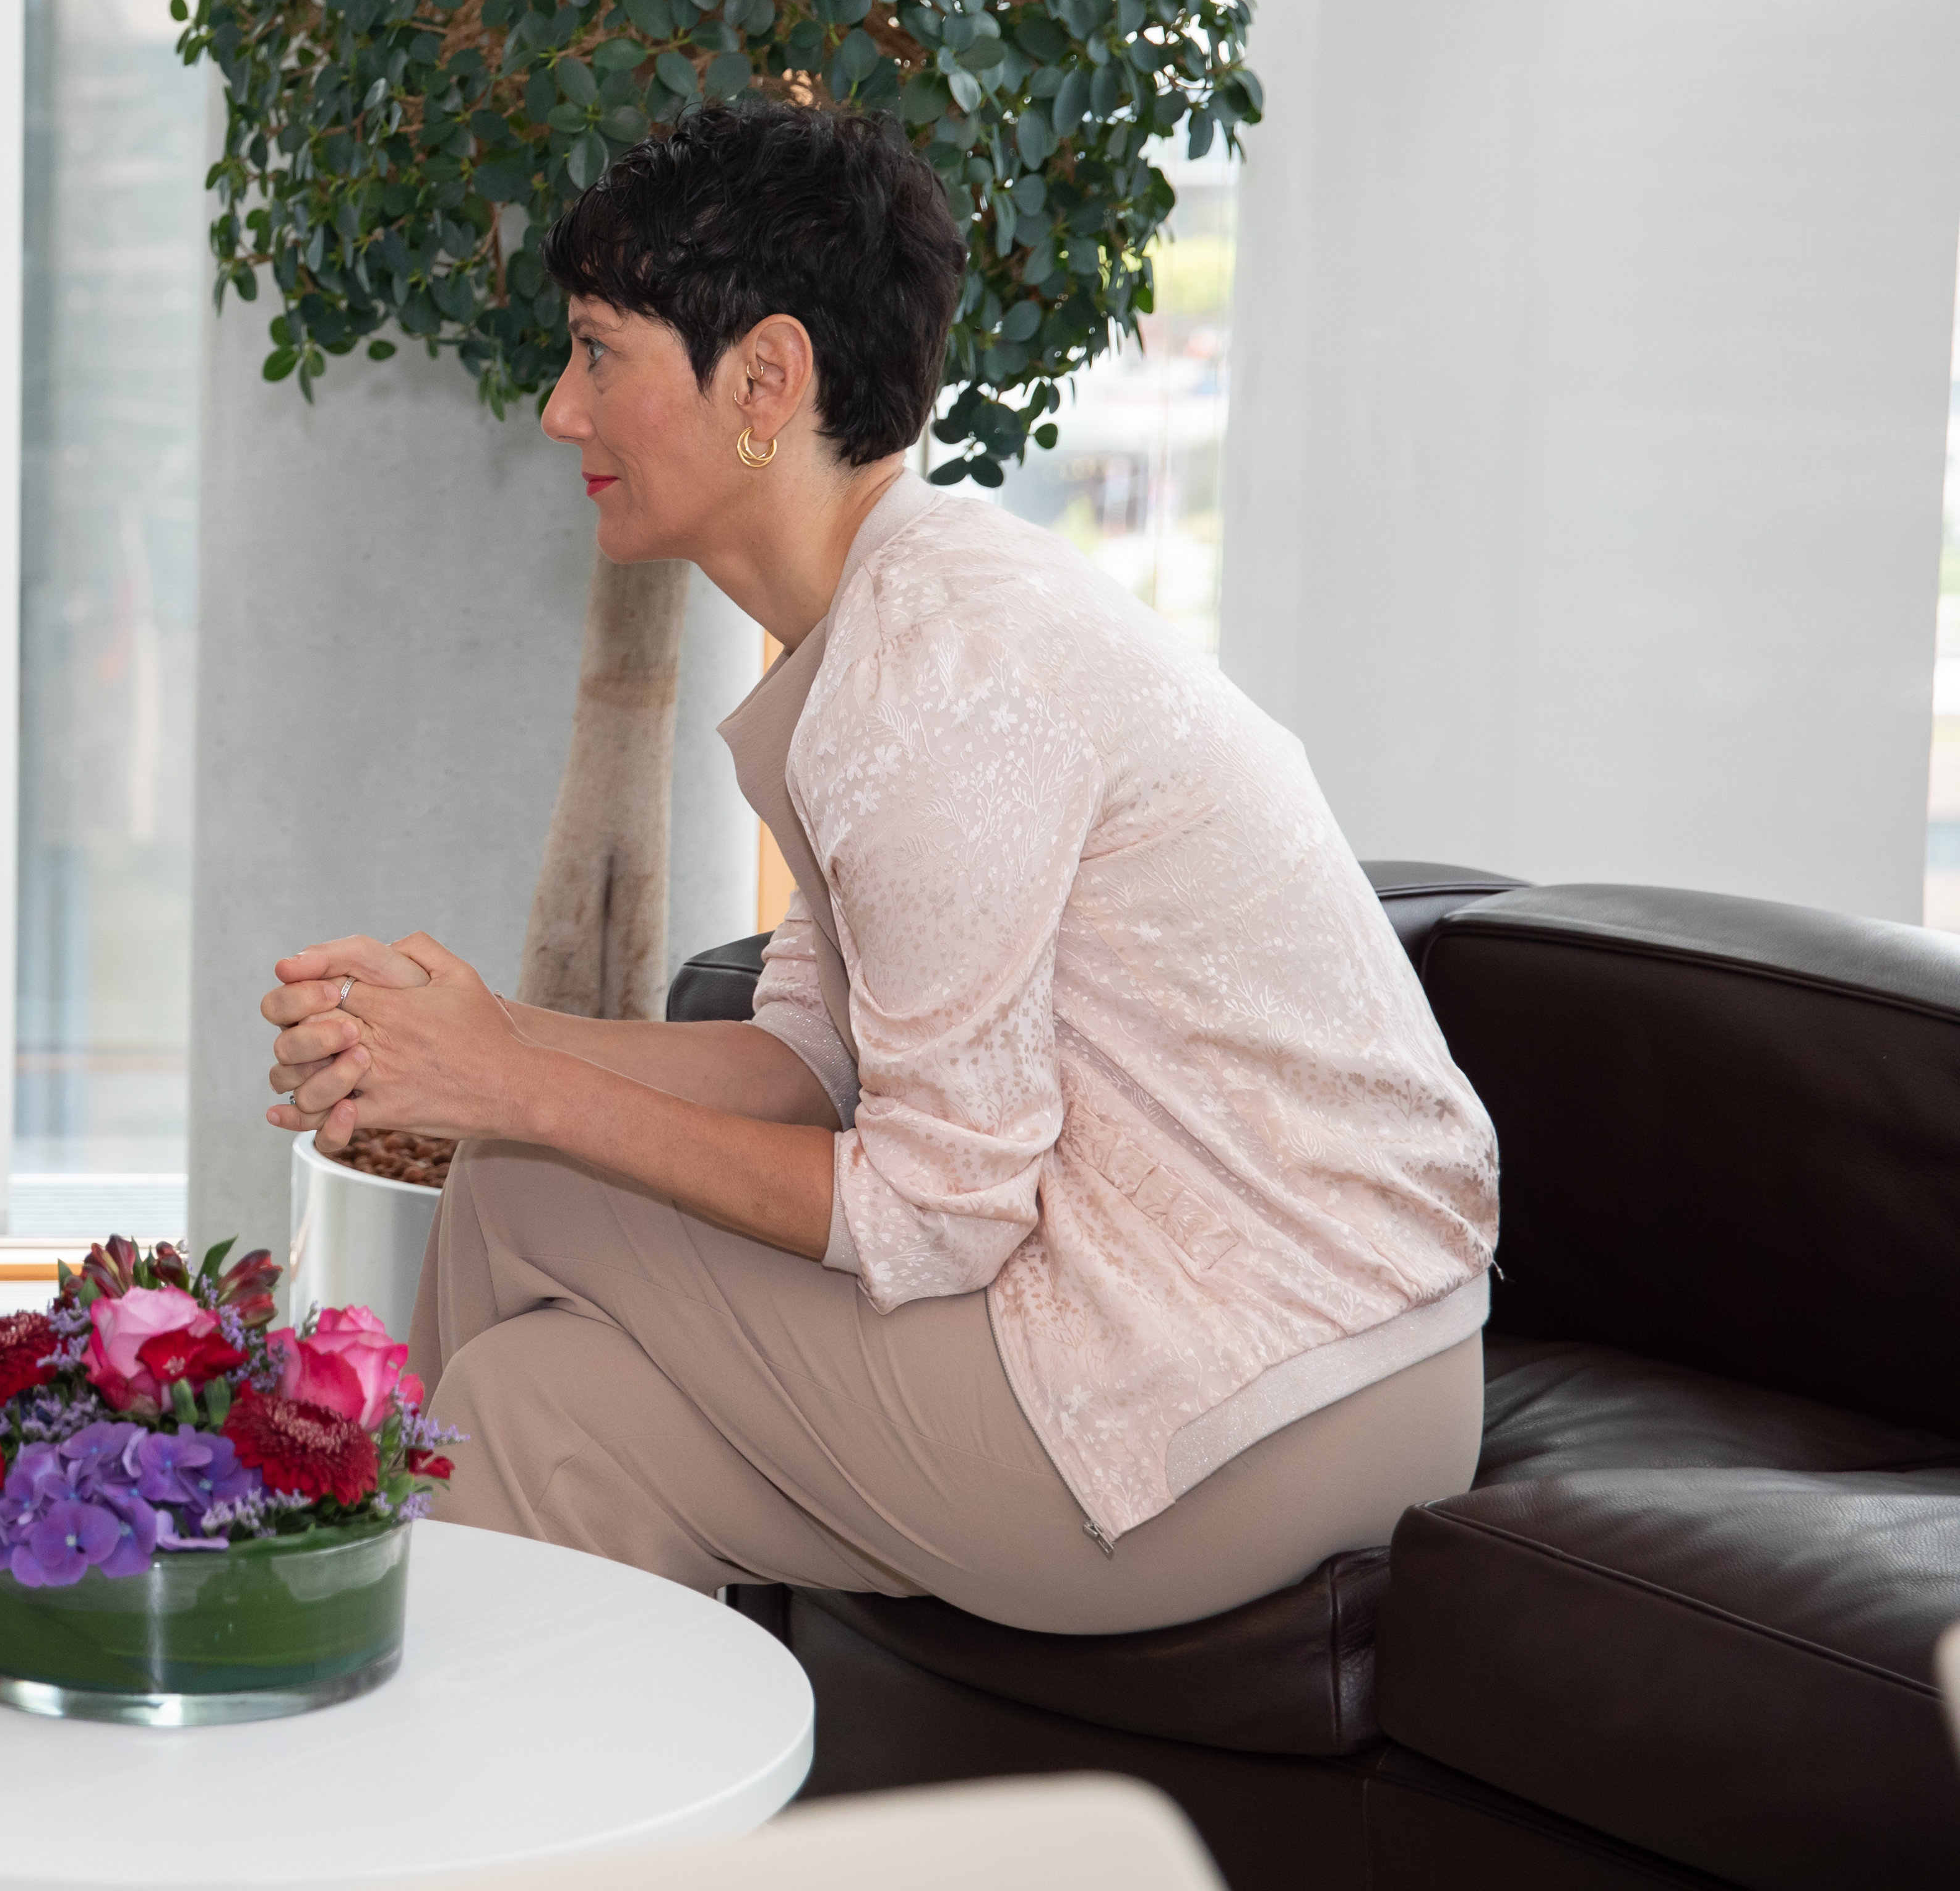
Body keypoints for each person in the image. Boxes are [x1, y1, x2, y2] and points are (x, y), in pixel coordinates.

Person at [258, 98, 1498, 1635]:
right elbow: (811, 1059)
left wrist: (509, 1092)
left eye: (597, 352)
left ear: (766, 378)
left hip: (1255, 1399)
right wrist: (480, 1036)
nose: (558, 412)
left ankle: (310, 1617)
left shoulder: (934, 681)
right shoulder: (887, 620)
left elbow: (933, 1212)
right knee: (539, 1408)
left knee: (524, 1180)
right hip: (1261, 1353)